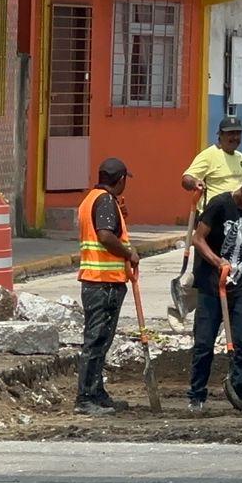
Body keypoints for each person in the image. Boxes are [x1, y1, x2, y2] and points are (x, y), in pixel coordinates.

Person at [188, 174, 242, 414]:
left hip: (239, 287)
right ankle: (196, 395)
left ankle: (241, 392)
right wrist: (217, 262)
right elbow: (198, 239)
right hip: (211, 285)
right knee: (204, 343)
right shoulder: (219, 204)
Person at [75, 157, 142, 417]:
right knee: (96, 341)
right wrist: (128, 253)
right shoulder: (103, 201)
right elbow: (104, 235)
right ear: (121, 179)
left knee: (101, 341)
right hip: (102, 284)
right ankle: (85, 398)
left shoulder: (92, 199)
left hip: (101, 281)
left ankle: (97, 392)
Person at [174, 117, 242, 319]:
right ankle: (196, 304)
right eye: (230, 134)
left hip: (234, 222)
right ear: (220, 135)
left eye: (237, 133)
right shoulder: (209, 155)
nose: (234, 137)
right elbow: (186, 178)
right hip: (211, 221)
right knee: (205, 273)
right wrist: (195, 183)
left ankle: (225, 310)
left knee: (233, 269)